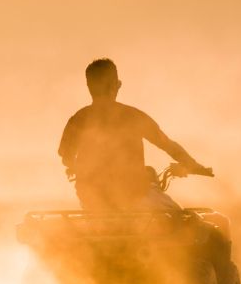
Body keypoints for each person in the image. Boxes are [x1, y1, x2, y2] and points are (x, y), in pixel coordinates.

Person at [58, 58, 212, 212]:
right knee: (189, 221)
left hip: (92, 202)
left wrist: (80, 169)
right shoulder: (132, 116)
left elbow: (66, 158)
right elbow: (166, 144)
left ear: (89, 86)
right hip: (135, 197)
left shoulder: (77, 119)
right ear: (115, 85)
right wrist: (191, 164)